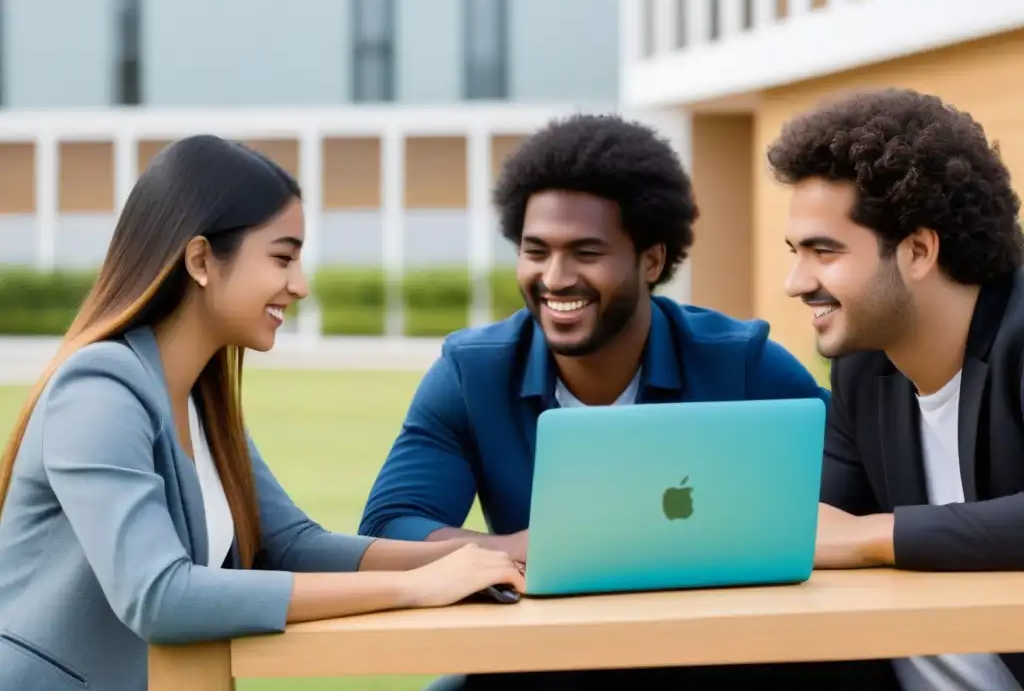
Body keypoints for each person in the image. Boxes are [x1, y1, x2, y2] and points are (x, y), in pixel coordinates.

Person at [359, 114, 893, 688]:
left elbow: (858, 490)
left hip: (723, 660)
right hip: (548, 662)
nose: (555, 277)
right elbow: (391, 526)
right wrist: (513, 547)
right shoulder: (472, 372)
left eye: (586, 252)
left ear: (651, 261)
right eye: (535, 251)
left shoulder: (741, 361)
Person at [0, 136, 524, 691]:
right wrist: (417, 586)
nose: (298, 285)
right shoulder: (98, 389)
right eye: (282, 257)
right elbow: (159, 595)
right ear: (201, 260)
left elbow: (292, 546)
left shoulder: (200, 400)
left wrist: (492, 552)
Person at [771, 87, 1024, 689]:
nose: (795, 282)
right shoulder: (864, 368)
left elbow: (846, 536)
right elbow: (812, 530)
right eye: (794, 253)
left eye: (824, 253)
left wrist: (872, 536)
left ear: (918, 250)